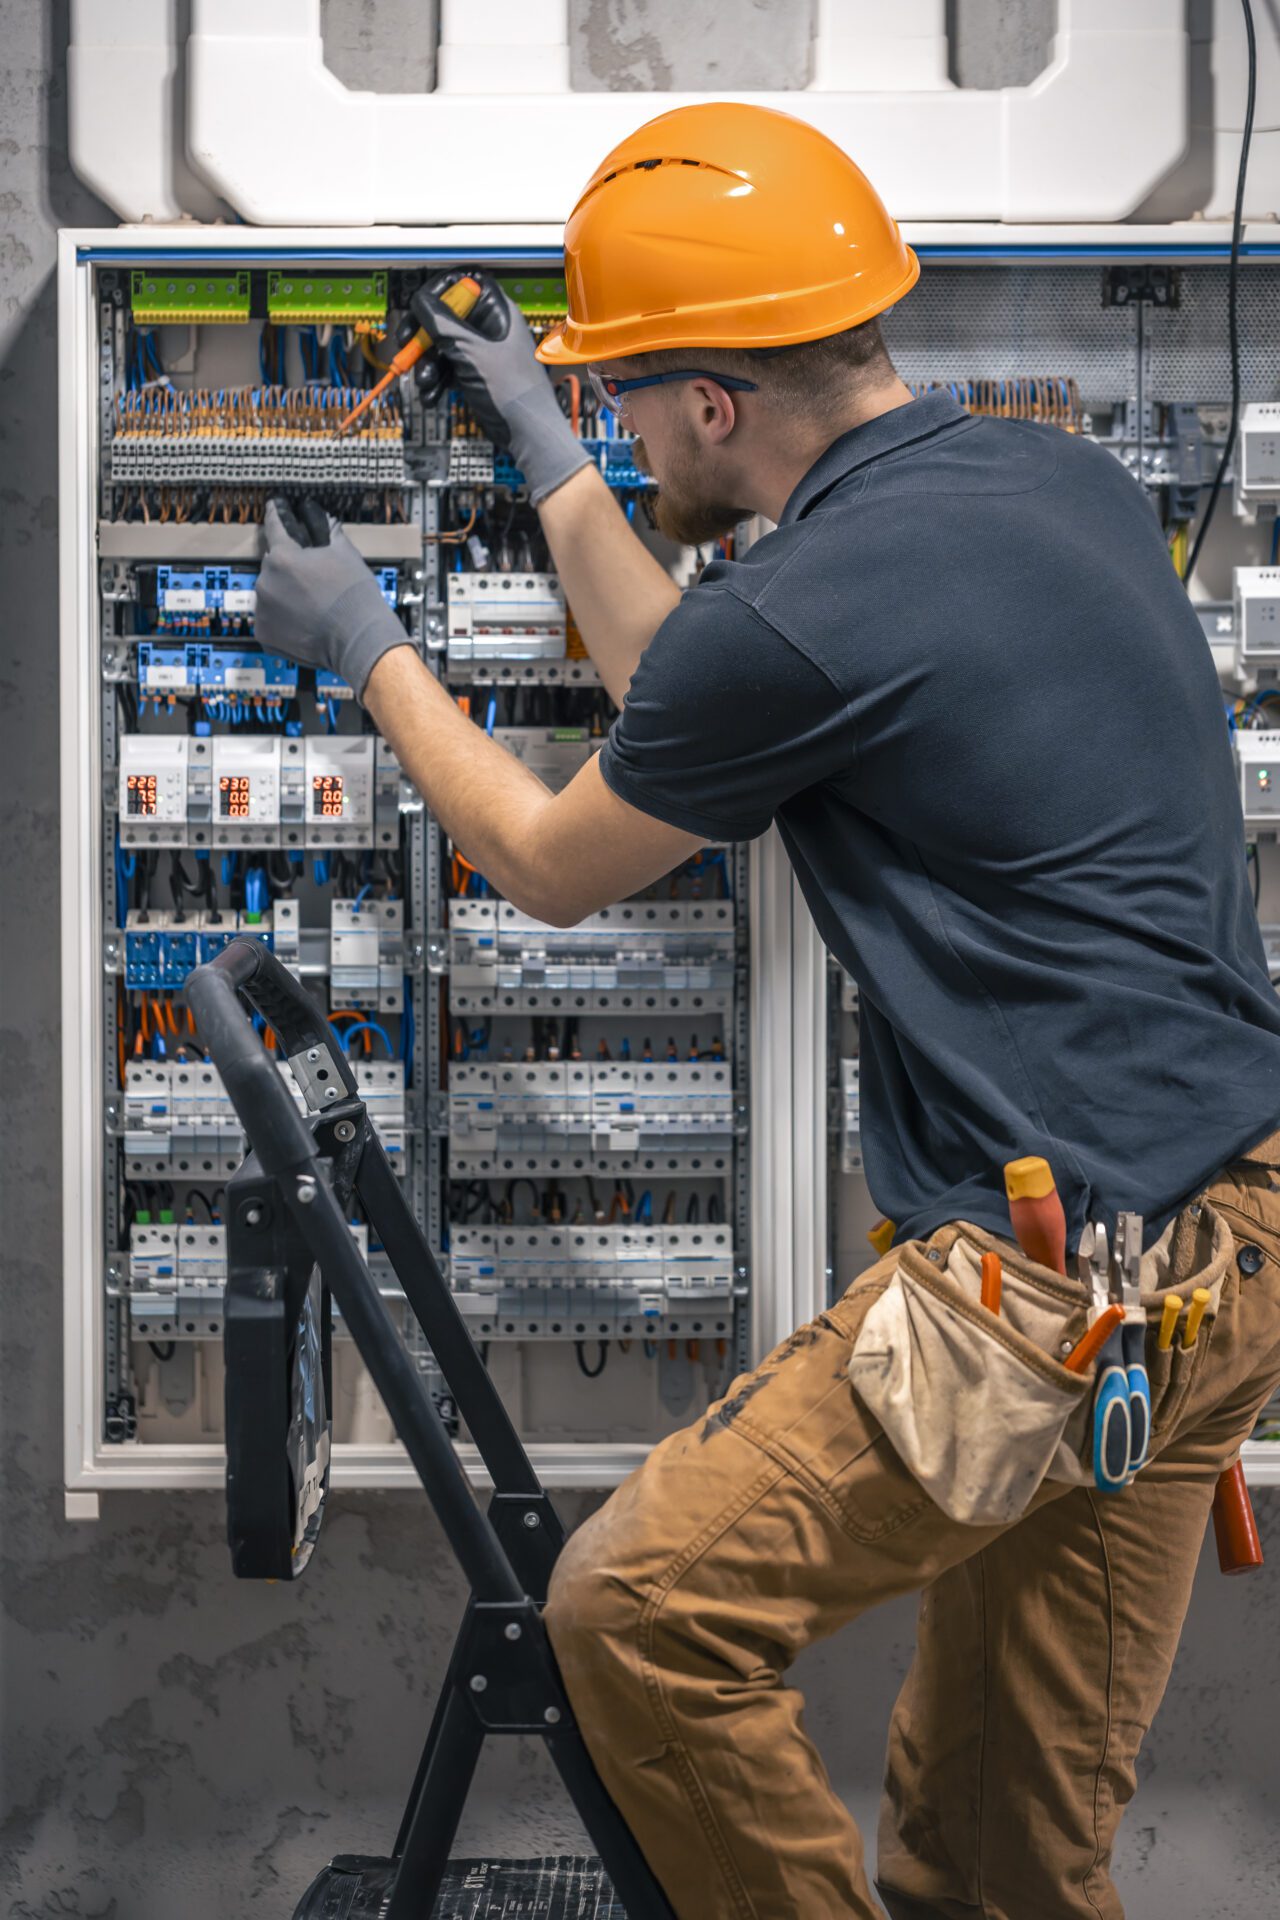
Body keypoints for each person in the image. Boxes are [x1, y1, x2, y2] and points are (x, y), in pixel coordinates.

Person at [256, 102, 1280, 1920]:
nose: (632, 421)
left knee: (634, 1615)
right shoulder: (1056, 483)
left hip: (1042, 1291)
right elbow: (703, 691)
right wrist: (560, 458)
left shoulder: (800, 611)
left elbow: (558, 861)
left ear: (716, 405)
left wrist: (368, 650)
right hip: (1236, 1255)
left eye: (635, 394)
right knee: (1007, 1853)